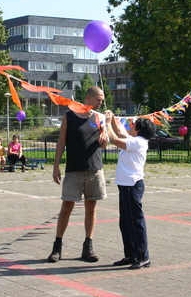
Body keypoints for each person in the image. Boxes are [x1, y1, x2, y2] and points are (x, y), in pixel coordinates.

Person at [48, 86, 108, 263]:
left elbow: (104, 143)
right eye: (98, 99)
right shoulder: (69, 116)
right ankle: (57, 246)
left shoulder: (100, 117)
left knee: (91, 208)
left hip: (95, 170)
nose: (101, 103)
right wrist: (56, 166)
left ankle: (88, 247)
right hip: (73, 170)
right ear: (88, 98)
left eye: (102, 100)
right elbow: (61, 142)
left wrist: (104, 142)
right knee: (66, 207)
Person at [104, 111, 155, 270]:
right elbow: (119, 132)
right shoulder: (134, 139)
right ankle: (130, 255)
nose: (130, 126)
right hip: (125, 186)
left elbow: (115, 139)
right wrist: (112, 120)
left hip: (133, 186)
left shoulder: (139, 142)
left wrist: (106, 123)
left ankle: (142, 257)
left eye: (134, 125)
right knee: (125, 222)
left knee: (135, 222)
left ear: (139, 130)